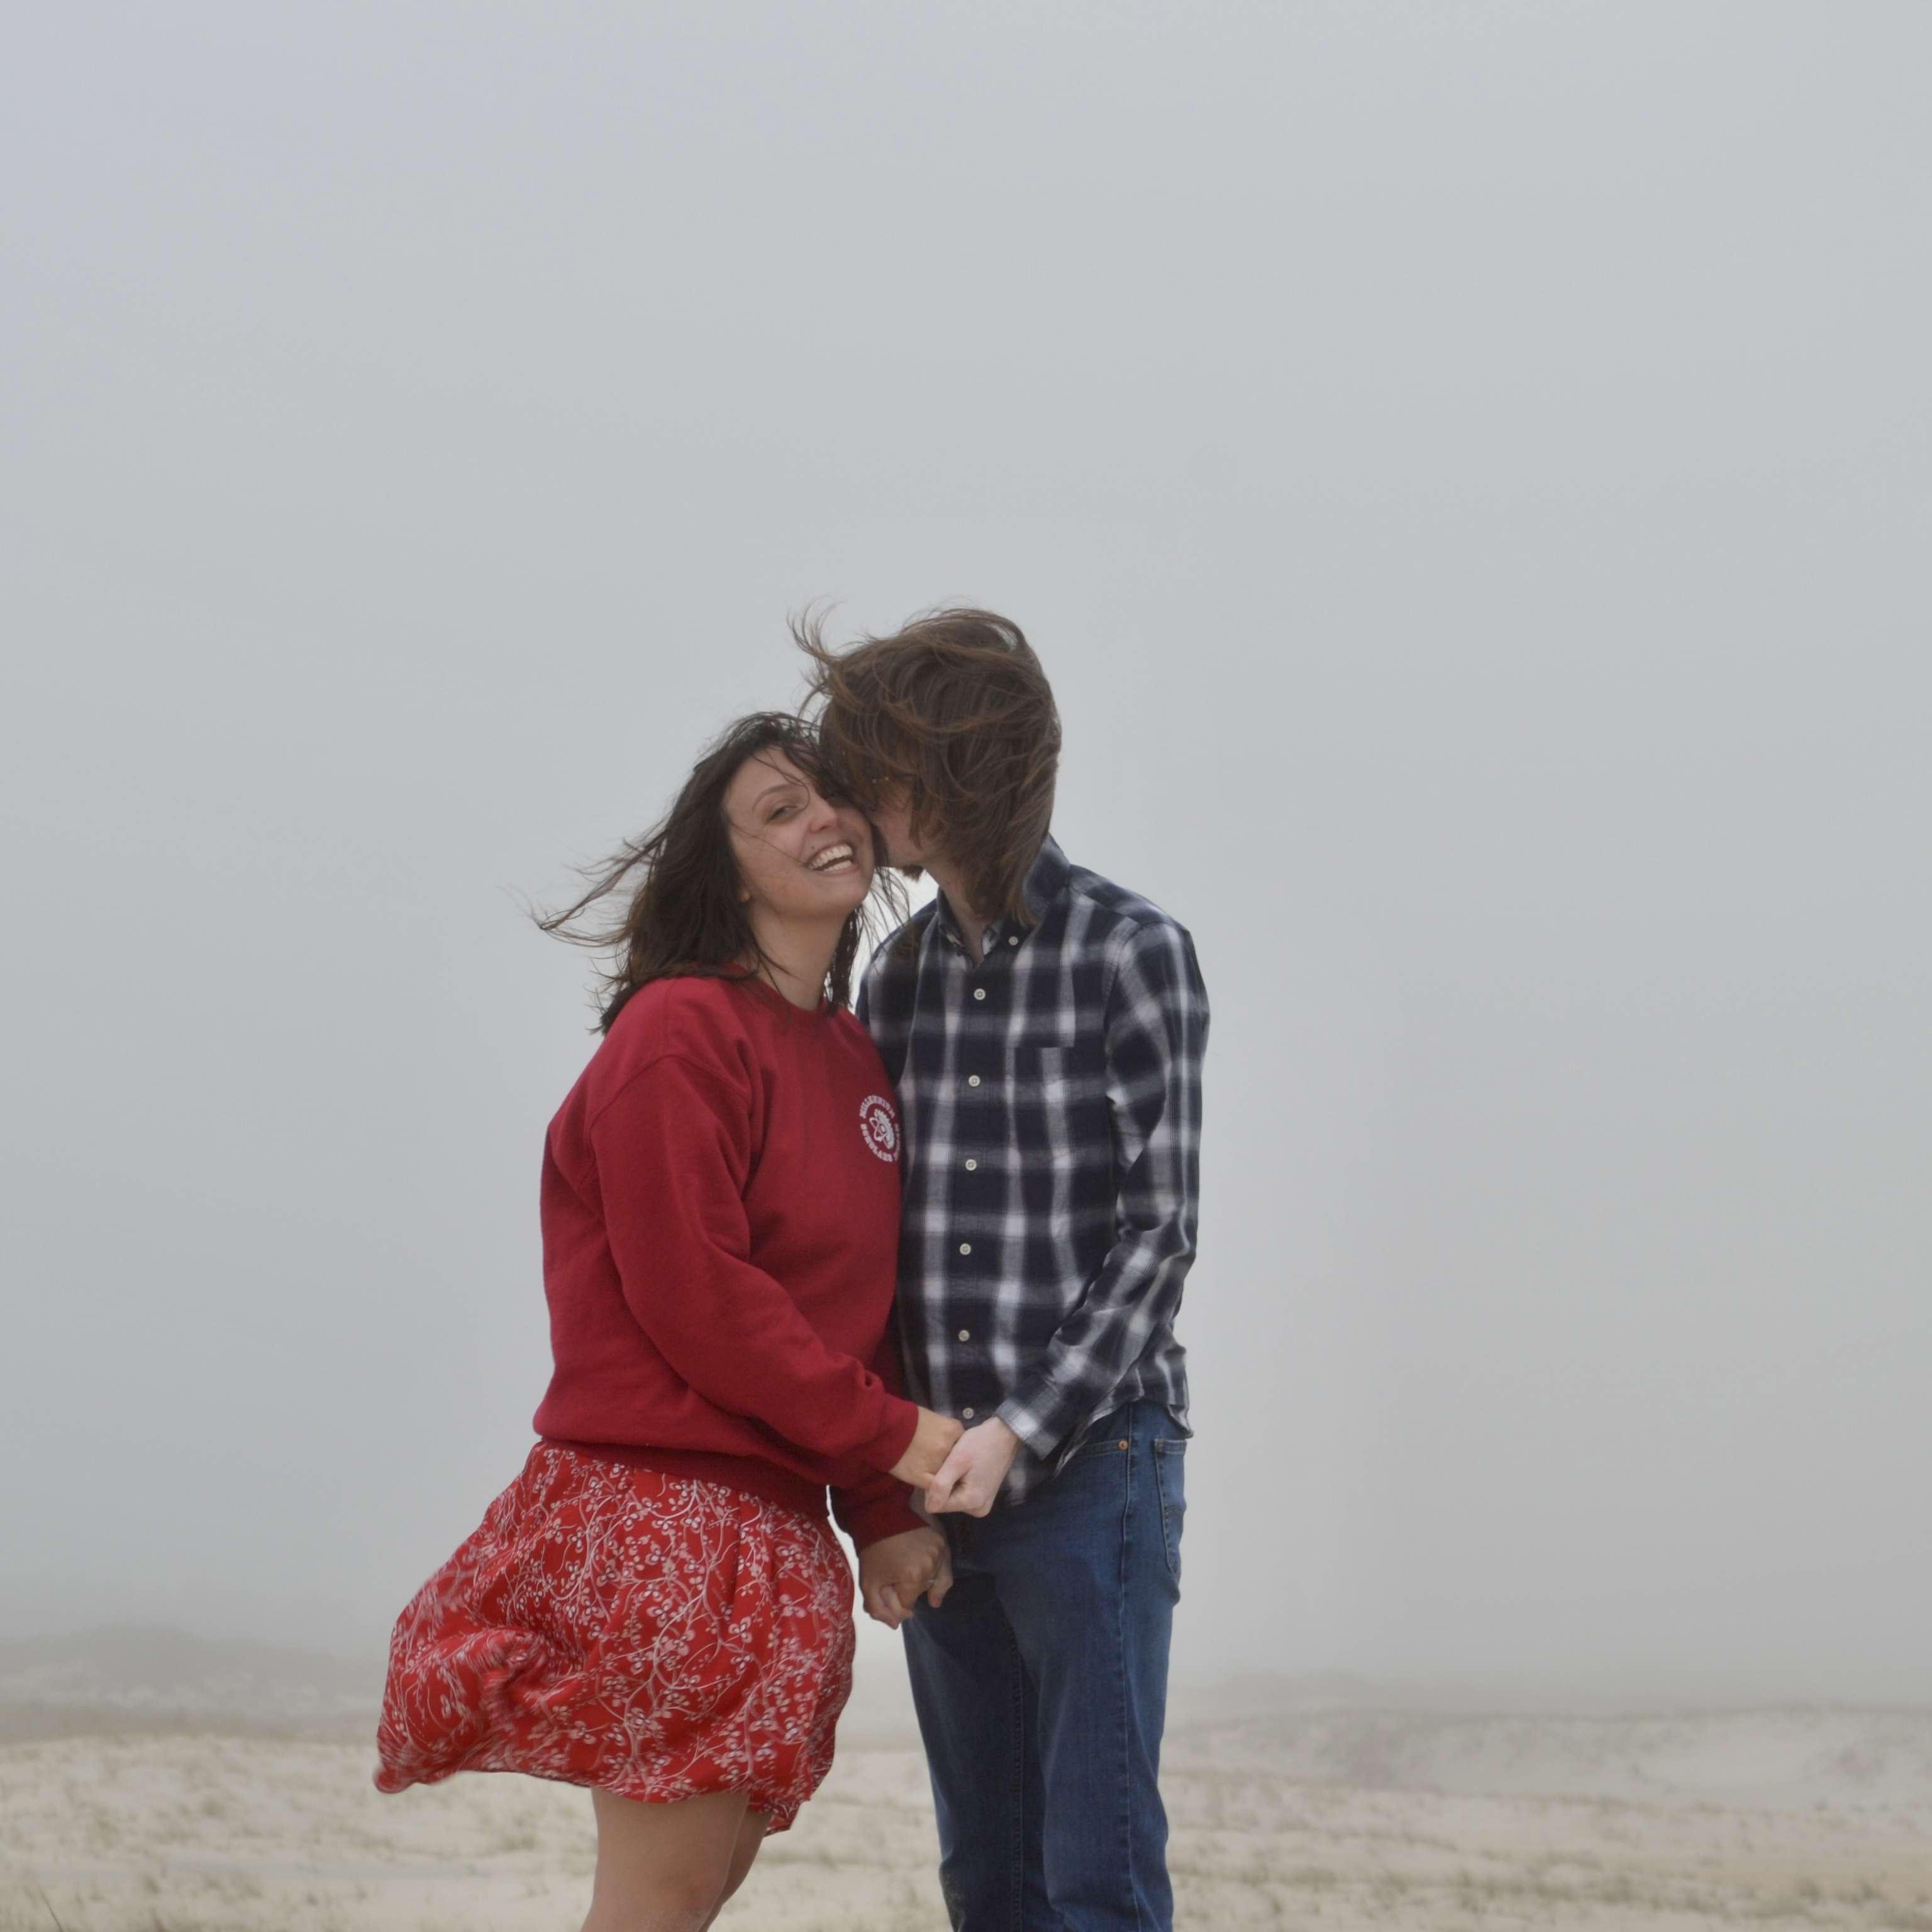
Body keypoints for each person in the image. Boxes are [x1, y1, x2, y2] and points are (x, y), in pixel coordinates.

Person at [374, 712, 960, 1932]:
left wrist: (883, 1511)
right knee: (658, 1906)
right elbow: (703, 1297)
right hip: (667, 1517)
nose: (822, 822)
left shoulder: (854, 1057)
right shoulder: (679, 1030)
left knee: (691, 1899)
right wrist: (902, 1441)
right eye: (779, 810)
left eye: (830, 799)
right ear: (725, 868)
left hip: (782, 1532)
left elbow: (857, 1313)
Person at [802, 609, 1209, 1932]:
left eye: (884, 764)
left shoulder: (1133, 953)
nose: (861, 798)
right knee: (988, 1881)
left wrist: (1025, 1426)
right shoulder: (898, 978)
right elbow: (870, 1232)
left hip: (1095, 1464)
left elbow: (1161, 1232)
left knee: (1098, 1879)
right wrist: (893, 1473)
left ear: (962, 767)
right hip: (938, 1479)